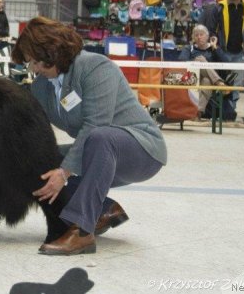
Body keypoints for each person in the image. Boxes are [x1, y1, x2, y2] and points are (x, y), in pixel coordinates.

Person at [11, 17, 167, 255]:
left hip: (141, 150)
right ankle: (104, 210)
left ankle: (82, 231)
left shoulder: (95, 67)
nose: (33, 69)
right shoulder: (42, 87)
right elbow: (28, 123)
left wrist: (63, 173)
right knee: (37, 161)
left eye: (34, 61)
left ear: (50, 52)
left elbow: (96, 124)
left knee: (100, 136)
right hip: (98, 154)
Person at [178, 24, 231, 116]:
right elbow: (182, 61)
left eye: (201, 34)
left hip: (208, 81)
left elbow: (226, 62)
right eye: (196, 35)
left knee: (207, 81)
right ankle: (219, 83)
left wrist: (215, 47)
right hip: (192, 78)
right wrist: (195, 62)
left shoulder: (213, 48)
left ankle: (198, 112)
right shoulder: (189, 48)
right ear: (193, 37)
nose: (199, 37)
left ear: (207, 36)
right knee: (200, 59)